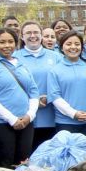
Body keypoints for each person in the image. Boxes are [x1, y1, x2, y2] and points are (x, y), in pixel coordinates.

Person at [0, 29, 38, 167]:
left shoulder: (21, 64)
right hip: (1, 123)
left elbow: (33, 92)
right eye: (2, 42)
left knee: (23, 163)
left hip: (26, 122)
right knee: (4, 164)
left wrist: (29, 116)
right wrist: (11, 119)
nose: (7, 45)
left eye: (10, 41)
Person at [48, 31, 86, 142]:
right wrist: (73, 113)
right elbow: (55, 96)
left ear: (82, 47)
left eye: (77, 44)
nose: (73, 47)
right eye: (68, 44)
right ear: (62, 47)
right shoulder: (55, 70)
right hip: (65, 122)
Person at [16, 21, 59, 151]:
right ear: (22, 37)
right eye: (28, 33)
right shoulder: (14, 58)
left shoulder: (56, 57)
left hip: (51, 114)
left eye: (36, 32)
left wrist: (49, 97)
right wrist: (34, 101)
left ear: (41, 35)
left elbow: (62, 81)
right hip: (25, 116)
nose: (32, 35)